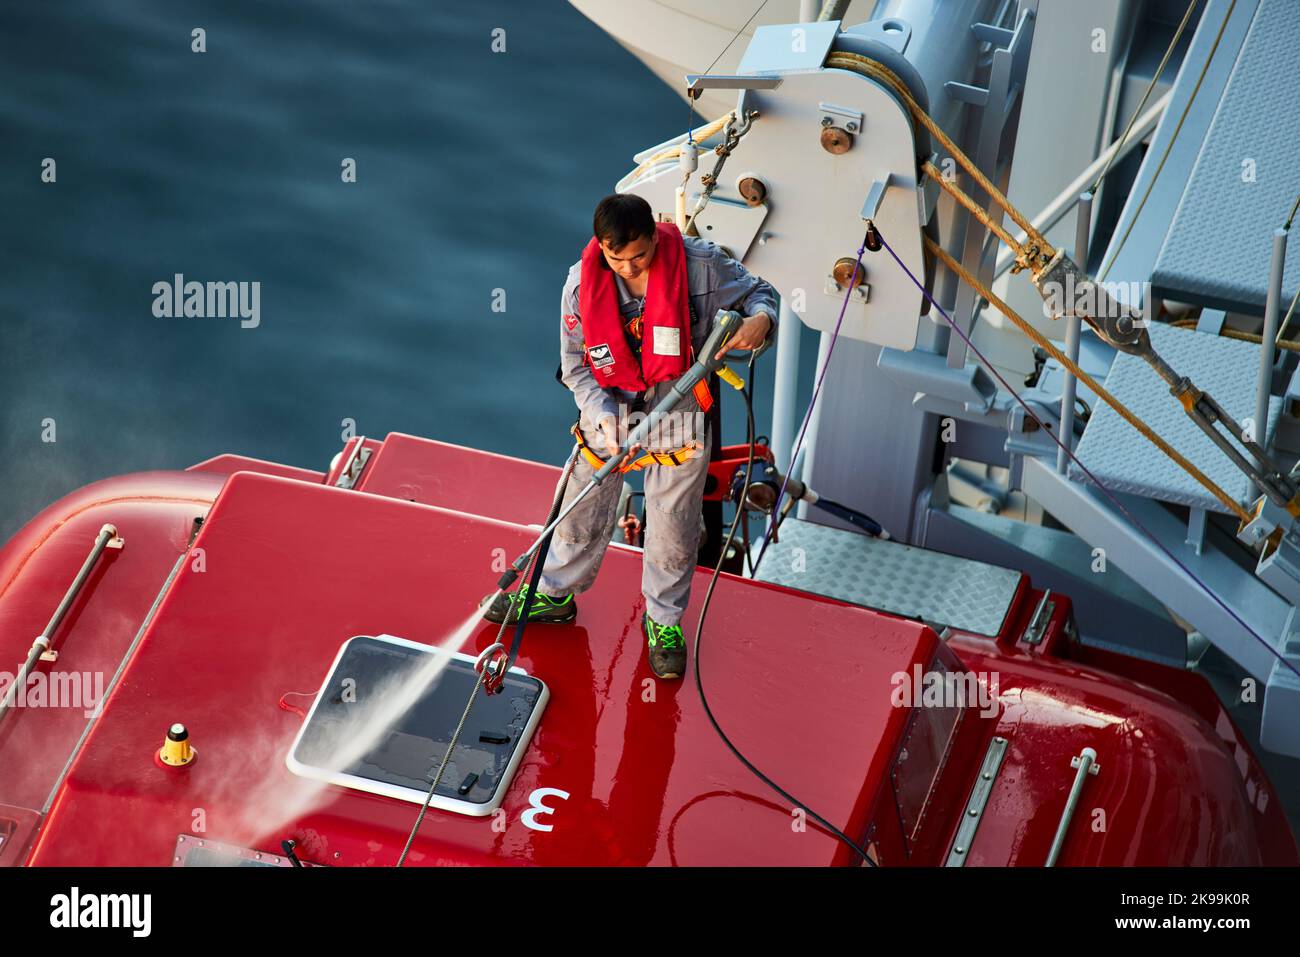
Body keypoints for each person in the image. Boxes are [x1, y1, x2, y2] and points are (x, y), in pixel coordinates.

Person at [482, 193, 778, 679]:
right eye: (616, 259)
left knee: (674, 527)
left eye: (639, 257)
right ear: (601, 248)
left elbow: (760, 292)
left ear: (655, 239)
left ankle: (663, 622)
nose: (627, 267)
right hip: (610, 423)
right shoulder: (579, 286)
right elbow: (577, 369)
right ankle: (553, 595)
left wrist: (759, 321)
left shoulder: (701, 265)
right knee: (580, 509)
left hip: (678, 423)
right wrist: (603, 419)